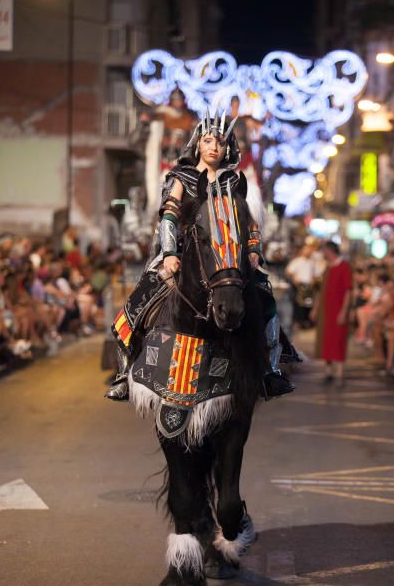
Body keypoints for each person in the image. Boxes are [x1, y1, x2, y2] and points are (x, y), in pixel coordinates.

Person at [106, 108, 296, 401]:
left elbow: (249, 222)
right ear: (198, 144)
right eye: (208, 140)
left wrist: (254, 249)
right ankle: (124, 370)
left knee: (264, 297)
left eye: (220, 142)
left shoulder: (234, 181)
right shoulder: (181, 176)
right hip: (183, 251)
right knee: (138, 300)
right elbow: (169, 217)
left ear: (227, 147)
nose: (214, 147)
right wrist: (169, 253)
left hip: (229, 256)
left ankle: (271, 371)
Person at [311, 241, 352, 387]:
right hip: (326, 310)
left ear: (329, 251)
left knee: (338, 339)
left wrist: (344, 311)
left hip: (338, 309)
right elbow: (321, 291)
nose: (322, 254)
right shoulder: (328, 267)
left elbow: (348, 290)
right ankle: (328, 371)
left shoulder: (344, 266)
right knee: (326, 339)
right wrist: (316, 308)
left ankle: (339, 373)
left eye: (324, 251)